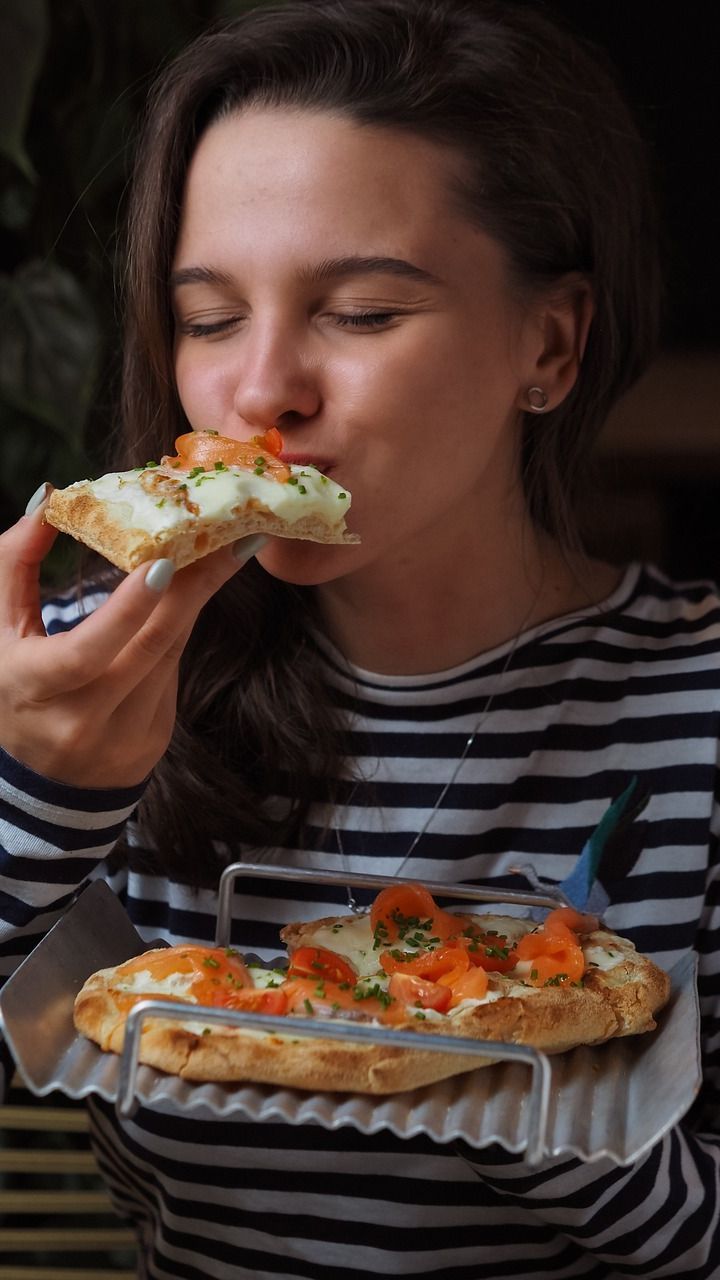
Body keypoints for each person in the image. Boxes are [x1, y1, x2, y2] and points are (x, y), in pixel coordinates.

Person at [1, 1, 718, 1276]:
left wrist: (491, 1046)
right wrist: (37, 805)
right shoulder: (66, 680)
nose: (259, 389)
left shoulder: (699, 706)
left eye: (364, 313)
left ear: (547, 344)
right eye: (210, 317)